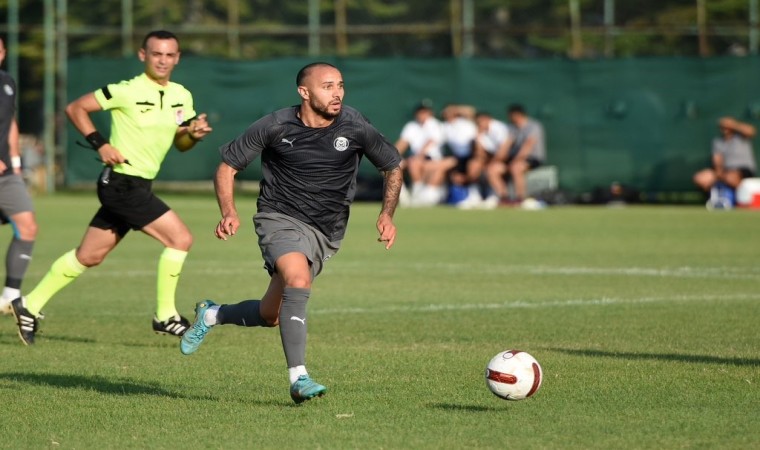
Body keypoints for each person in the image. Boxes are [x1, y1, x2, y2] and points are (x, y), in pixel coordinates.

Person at [179, 62, 403, 404]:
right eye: (327, 86)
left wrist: (387, 214)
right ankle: (299, 378)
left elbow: (392, 167)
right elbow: (227, 166)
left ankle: (212, 313)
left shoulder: (355, 125)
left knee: (270, 315)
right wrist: (229, 212)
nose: (337, 92)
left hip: (326, 230)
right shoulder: (274, 125)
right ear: (304, 92)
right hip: (278, 217)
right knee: (298, 280)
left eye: (340, 85)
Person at [9, 30, 213, 345]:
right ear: (143, 55)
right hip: (121, 183)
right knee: (180, 239)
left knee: (89, 256)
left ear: (177, 58)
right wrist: (100, 144)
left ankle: (29, 305)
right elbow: (75, 108)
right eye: (156, 53)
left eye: (169, 54)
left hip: (139, 185)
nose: (163, 60)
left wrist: (193, 135)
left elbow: (181, 143)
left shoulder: (181, 95)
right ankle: (165, 315)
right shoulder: (125, 90)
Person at [0, 37, 38, 313]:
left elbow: (10, 121)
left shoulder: (7, 82)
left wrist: (14, 160)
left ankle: (9, 297)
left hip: (6, 173)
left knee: (27, 227)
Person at [486, 104, 546, 204]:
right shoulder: (511, 127)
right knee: (493, 169)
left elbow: (528, 146)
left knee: (516, 168)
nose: (509, 118)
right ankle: (504, 198)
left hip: (531, 158)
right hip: (513, 159)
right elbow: (506, 145)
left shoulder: (534, 126)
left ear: (517, 115)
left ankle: (520, 199)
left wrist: (514, 161)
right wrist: (497, 160)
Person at [394, 103, 450, 206]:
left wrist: (419, 156)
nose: (422, 115)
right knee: (392, 167)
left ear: (430, 113)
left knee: (414, 163)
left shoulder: (436, 125)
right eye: (420, 112)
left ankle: (418, 192)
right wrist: (390, 157)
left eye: (424, 112)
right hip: (416, 159)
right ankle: (404, 195)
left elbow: (431, 142)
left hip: (433, 159)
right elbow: (402, 143)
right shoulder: (411, 126)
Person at [693, 116, 757, 206]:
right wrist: (719, 172)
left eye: (726, 127)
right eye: (722, 127)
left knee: (731, 177)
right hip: (725, 171)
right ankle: (714, 199)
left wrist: (733, 124)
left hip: (744, 170)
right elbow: (717, 159)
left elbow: (751, 131)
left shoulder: (741, 137)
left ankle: (740, 200)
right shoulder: (718, 142)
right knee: (700, 178)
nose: (724, 129)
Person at [458, 111, 510, 209]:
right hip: (488, 160)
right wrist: (478, 137)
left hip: (505, 161)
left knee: (492, 170)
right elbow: (479, 154)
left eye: (481, 121)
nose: (480, 124)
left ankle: (499, 197)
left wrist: (490, 163)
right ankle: (474, 196)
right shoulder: (479, 131)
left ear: (488, 119)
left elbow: (503, 152)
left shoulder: (499, 129)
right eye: (478, 122)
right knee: (473, 165)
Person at [441, 104, 477, 206]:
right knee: (455, 177)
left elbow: (471, 111)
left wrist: (455, 109)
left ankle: (474, 194)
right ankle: (462, 197)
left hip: (471, 155)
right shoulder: (445, 126)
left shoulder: (466, 123)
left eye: (451, 112)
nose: (448, 114)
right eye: (446, 113)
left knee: (473, 168)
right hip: (457, 157)